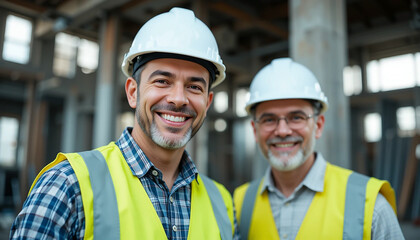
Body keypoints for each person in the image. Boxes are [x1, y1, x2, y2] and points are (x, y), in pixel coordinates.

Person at [11, 7, 238, 240]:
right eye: (162, 81)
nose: (178, 99)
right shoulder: (66, 185)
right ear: (133, 92)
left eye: (194, 87)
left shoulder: (222, 203)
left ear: (207, 102)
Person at [233, 58, 404, 240]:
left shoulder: (370, 204)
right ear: (254, 129)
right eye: (268, 120)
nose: (282, 131)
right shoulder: (240, 202)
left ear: (319, 125)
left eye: (296, 117)